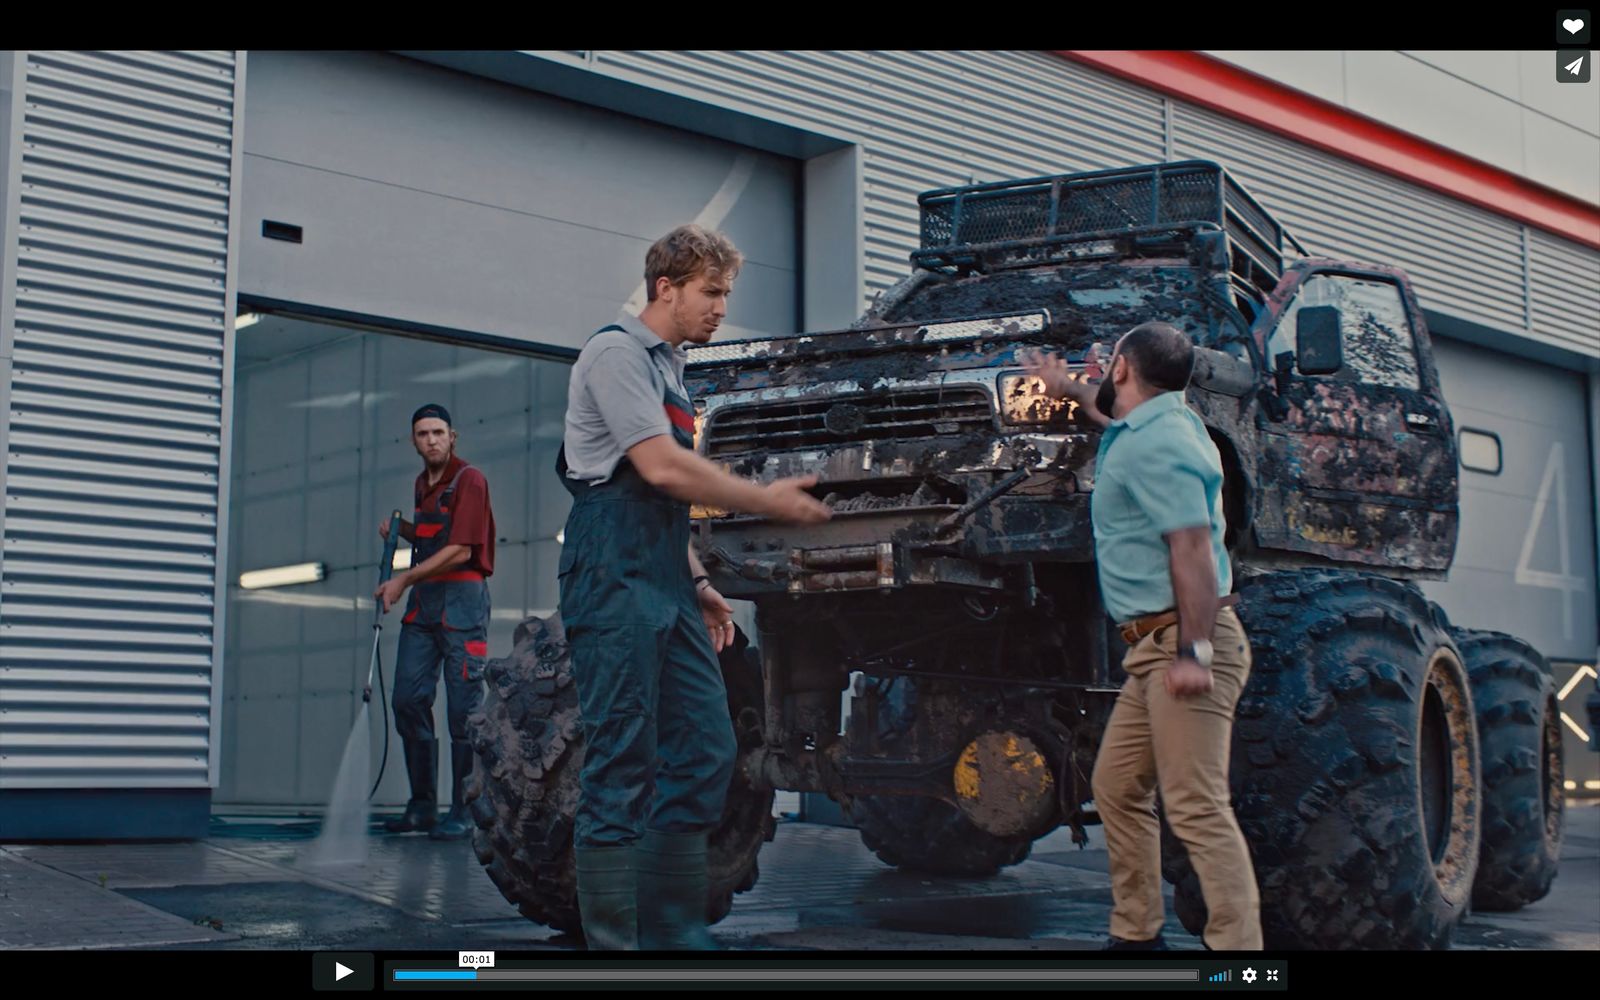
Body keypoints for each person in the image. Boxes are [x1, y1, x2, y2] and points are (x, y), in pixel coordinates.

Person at [558, 224, 830, 950]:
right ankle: (616, 944)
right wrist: (767, 498)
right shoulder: (616, 353)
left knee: (707, 745)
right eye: (710, 293)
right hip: (610, 568)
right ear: (665, 287)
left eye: (726, 295)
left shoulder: (670, 367)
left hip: (664, 575)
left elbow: (666, 506)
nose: (720, 308)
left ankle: (673, 929)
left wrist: (700, 582)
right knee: (621, 758)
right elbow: (661, 471)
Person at [1023, 323, 1262, 951]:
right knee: (1118, 787)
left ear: (1124, 368)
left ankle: (1240, 960)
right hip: (1151, 649)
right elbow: (1114, 423)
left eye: (1110, 364)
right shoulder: (1150, 428)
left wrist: (1195, 652)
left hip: (1182, 642)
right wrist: (1069, 389)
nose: (1102, 370)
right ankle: (1136, 940)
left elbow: (1192, 549)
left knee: (1196, 807)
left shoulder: (1162, 444)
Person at [373, 403, 495, 842]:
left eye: (438, 432)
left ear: (452, 436)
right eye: (423, 434)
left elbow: (461, 549)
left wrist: (403, 578)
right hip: (425, 608)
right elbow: (436, 539)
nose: (431, 440)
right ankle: (422, 805)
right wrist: (403, 533)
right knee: (407, 698)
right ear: (414, 441)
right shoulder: (422, 486)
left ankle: (463, 809)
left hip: (462, 603)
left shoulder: (470, 480)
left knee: (464, 712)